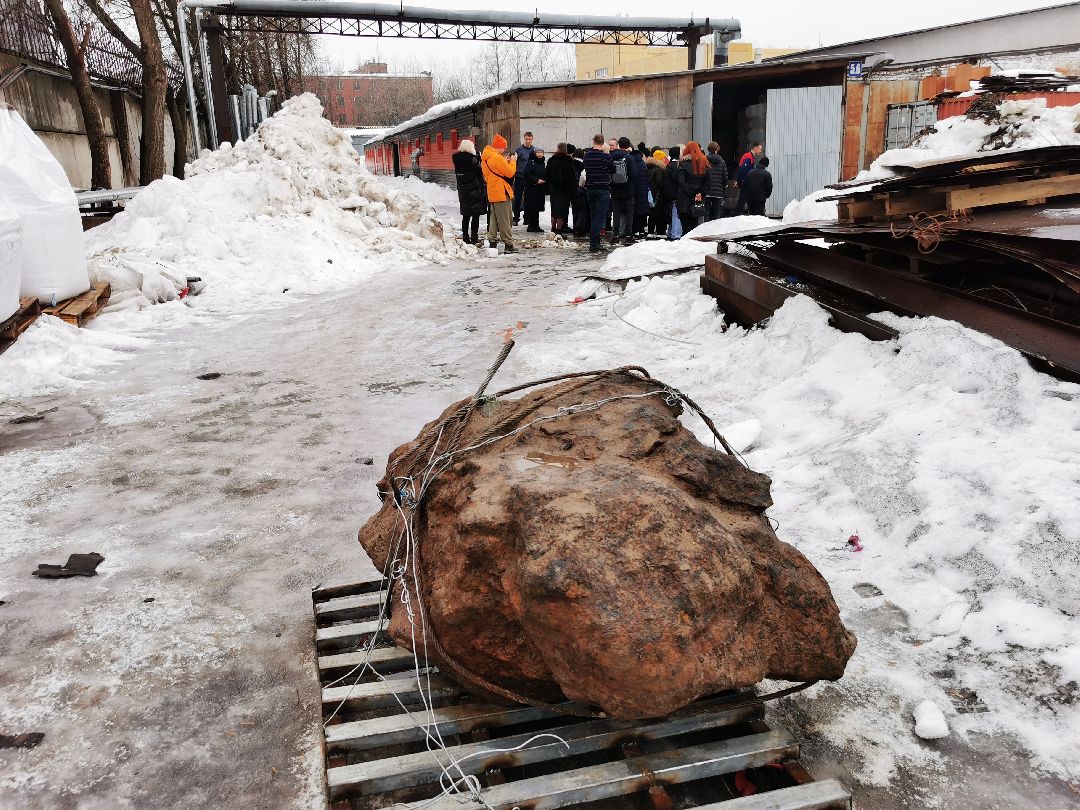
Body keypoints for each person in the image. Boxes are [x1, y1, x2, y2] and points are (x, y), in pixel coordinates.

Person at [481, 134, 518, 253]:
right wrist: (512, 161)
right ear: (500, 147)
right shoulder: (497, 158)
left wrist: (505, 161)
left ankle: (492, 242)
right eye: (504, 147)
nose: (505, 150)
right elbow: (510, 173)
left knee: (494, 219)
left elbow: (492, 173)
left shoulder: (486, 157)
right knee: (505, 219)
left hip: (492, 191)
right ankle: (508, 245)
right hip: (501, 192)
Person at [582, 133, 615, 252]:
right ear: (603, 143)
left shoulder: (587, 156)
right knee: (599, 217)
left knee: (593, 215)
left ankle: (596, 242)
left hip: (590, 188)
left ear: (593, 141)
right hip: (603, 189)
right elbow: (613, 169)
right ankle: (594, 244)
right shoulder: (606, 157)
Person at [452, 139, 486, 244]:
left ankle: (465, 238)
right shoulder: (472, 159)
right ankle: (474, 237)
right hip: (474, 190)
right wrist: (478, 158)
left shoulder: (456, 158)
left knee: (465, 215)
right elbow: (480, 171)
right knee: (475, 215)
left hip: (463, 191)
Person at [676, 140, 710, 232]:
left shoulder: (683, 164)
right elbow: (708, 183)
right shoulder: (705, 163)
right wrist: (699, 193)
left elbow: (680, 181)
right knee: (695, 225)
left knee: (685, 226)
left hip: (684, 199)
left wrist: (691, 192)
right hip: (698, 199)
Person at [609, 137, 637, 246]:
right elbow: (634, 174)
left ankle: (615, 235)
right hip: (628, 190)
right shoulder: (629, 158)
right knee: (629, 213)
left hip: (615, 190)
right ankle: (629, 236)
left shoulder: (611, 156)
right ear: (628, 145)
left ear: (619, 145)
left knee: (616, 213)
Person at [545, 143, 577, 235]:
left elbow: (547, 174)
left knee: (554, 210)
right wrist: (574, 189)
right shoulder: (568, 160)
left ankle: (553, 229)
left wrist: (547, 188)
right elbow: (572, 176)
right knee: (562, 211)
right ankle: (559, 231)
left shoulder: (551, 160)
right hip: (564, 190)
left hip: (554, 190)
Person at [512, 131, 535, 225]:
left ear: (532, 139)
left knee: (528, 198)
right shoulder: (519, 149)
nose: (528, 141)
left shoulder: (534, 150)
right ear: (524, 139)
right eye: (526, 139)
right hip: (519, 177)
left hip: (529, 178)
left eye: (530, 139)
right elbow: (514, 163)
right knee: (517, 198)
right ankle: (516, 217)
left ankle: (527, 218)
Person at [733, 142, 763, 215]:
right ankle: (734, 216)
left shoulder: (751, 157)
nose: (761, 151)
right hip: (745, 183)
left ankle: (750, 215)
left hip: (745, 182)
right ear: (755, 148)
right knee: (742, 201)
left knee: (747, 200)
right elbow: (743, 170)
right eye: (760, 149)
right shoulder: (748, 157)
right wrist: (740, 181)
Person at [522, 148, 548, 233]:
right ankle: (531, 225)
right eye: (538, 152)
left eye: (541, 152)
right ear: (535, 153)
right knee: (532, 207)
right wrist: (536, 180)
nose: (540, 154)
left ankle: (536, 225)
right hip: (532, 188)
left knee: (537, 208)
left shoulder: (543, 163)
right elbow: (527, 174)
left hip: (540, 189)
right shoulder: (531, 162)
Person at [628, 142, 650, 238]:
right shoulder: (643, 164)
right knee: (642, 212)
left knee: (634, 212)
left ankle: (635, 231)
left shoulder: (631, 163)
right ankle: (641, 230)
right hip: (643, 190)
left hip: (633, 190)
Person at [645, 149, 668, 237]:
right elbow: (660, 183)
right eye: (663, 158)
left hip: (650, 195)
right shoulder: (658, 170)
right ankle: (660, 232)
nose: (664, 160)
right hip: (658, 195)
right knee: (659, 214)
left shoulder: (648, 168)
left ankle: (650, 231)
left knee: (652, 214)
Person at [704, 142, 729, 221]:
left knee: (706, 212)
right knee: (717, 213)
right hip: (718, 191)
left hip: (707, 190)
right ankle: (716, 231)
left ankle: (706, 230)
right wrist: (724, 187)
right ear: (717, 149)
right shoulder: (722, 161)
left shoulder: (705, 160)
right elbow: (725, 177)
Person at [662, 145, 683, 239]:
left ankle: (671, 233)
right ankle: (675, 235)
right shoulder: (676, 166)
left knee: (672, 215)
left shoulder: (668, 166)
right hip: (675, 195)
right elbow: (678, 181)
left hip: (668, 195)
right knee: (676, 215)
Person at [568, 144, 588, 238]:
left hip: (572, 190)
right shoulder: (582, 165)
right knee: (582, 211)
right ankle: (579, 229)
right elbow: (582, 178)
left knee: (575, 210)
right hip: (580, 190)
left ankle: (576, 226)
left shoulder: (570, 164)